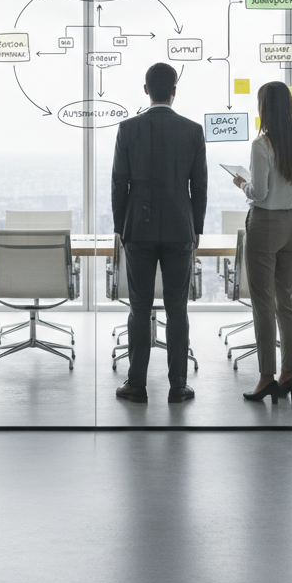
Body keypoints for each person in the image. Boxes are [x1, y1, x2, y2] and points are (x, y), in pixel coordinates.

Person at [111, 62, 207, 403]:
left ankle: (136, 384)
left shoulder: (127, 128)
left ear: (146, 90)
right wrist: (196, 228)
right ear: (174, 91)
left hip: (138, 228)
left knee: (139, 307)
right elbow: (199, 186)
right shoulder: (193, 131)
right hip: (180, 228)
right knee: (177, 308)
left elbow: (119, 183)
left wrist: (122, 228)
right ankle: (178, 386)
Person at [232, 81, 292, 404]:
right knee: (286, 301)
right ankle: (288, 375)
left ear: (265, 109)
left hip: (265, 224)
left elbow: (259, 193)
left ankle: (266, 377)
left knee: (263, 304)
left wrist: (242, 184)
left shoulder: (261, 145)